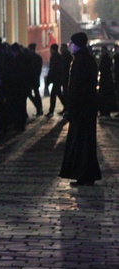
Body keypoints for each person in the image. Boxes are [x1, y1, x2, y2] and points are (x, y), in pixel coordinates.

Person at [59, 32, 102, 187]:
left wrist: (70, 108)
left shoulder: (79, 61)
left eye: (71, 43)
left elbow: (76, 88)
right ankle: (86, 174)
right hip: (87, 108)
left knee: (81, 142)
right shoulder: (88, 60)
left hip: (81, 109)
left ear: (77, 44)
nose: (69, 45)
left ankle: (84, 174)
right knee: (87, 142)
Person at [44, 43, 64, 118]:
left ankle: (51, 111)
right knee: (59, 94)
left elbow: (52, 69)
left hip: (56, 79)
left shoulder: (54, 57)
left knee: (53, 95)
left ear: (52, 49)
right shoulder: (58, 56)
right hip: (58, 78)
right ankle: (67, 108)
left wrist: (49, 79)